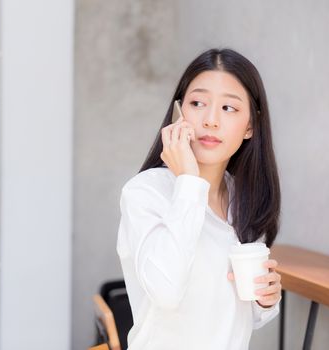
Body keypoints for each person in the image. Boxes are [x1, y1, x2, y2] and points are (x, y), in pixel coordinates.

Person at [116, 48, 282, 350]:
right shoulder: (145, 193)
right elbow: (166, 291)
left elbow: (238, 315)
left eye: (228, 108)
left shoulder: (243, 198)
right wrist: (189, 182)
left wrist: (265, 300)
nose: (210, 120)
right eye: (197, 103)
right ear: (179, 113)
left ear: (250, 126)